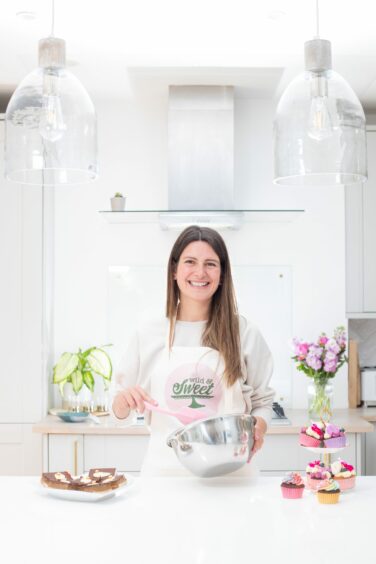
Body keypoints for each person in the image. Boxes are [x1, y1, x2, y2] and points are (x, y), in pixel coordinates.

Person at [112, 225, 275, 476]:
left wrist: (259, 428)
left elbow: (263, 402)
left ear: (222, 275)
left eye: (211, 263)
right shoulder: (148, 333)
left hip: (232, 476)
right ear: (174, 270)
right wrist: (123, 402)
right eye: (190, 261)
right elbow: (117, 411)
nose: (200, 272)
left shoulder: (244, 332)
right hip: (165, 476)